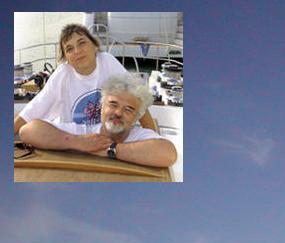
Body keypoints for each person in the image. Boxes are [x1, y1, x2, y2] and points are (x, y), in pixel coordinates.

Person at [14, 23, 155, 134]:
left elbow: (136, 97)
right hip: (73, 137)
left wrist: (154, 137)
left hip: (106, 133)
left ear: (95, 46)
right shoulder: (63, 74)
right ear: (66, 58)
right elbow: (34, 110)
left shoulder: (107, 61)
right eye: (69, 49)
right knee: (29, 131)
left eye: (82, 43)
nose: (77, 51)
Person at [19, 73, 177, 168]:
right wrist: (76, 141)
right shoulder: (83, 132)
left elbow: (168, 154)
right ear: (101, 107)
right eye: (113, 104)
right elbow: (27, 131)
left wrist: (111, 150)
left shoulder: (140, 136)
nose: (118, 113)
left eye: (128, 109)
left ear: (136, 117)